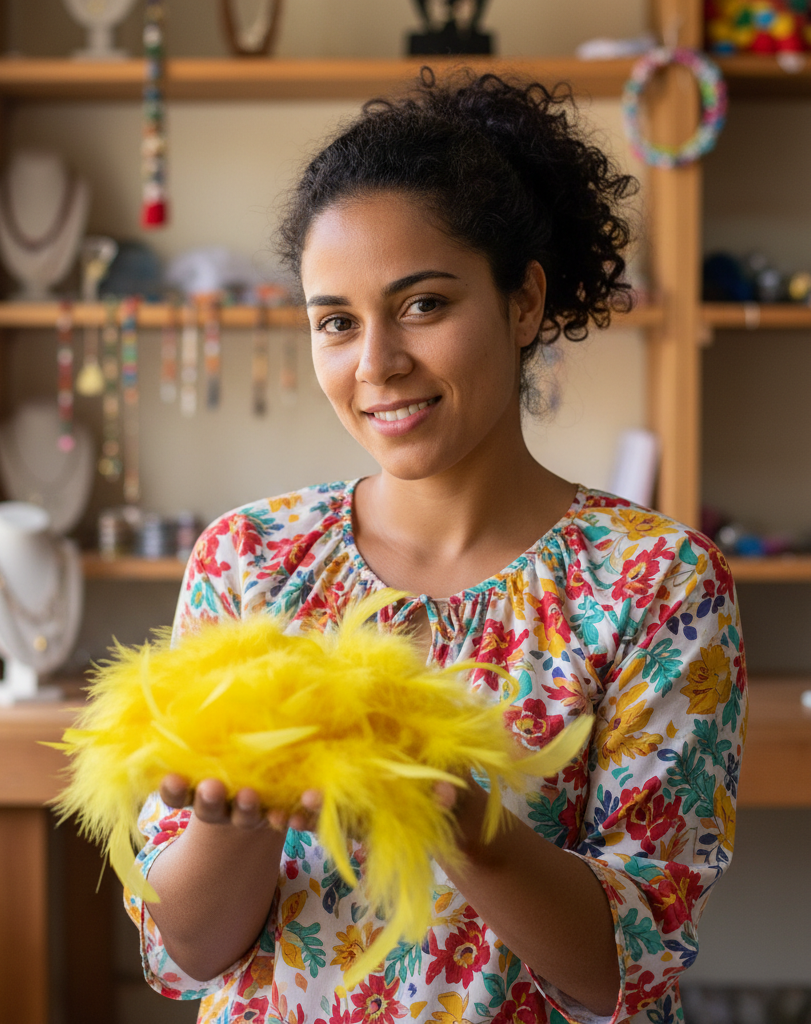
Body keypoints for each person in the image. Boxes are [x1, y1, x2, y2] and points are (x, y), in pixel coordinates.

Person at [125, 72, 746, 1024]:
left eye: (421, 305)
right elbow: (189, 954)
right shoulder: (248, 560)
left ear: (525, 302)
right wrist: (231, 821)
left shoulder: (655, 582)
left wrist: (461, 820)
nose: (376, 364)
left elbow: (623, 969)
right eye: (337, 322)